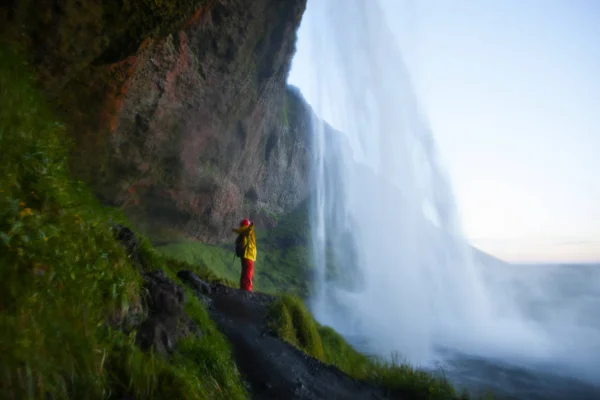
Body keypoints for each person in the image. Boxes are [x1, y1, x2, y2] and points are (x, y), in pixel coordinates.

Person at [233, 218, 256, 292]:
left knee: (244, 272)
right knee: (248, 273)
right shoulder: (247, 231)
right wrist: (251, 226)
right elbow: (248, 230)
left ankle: (243, 288)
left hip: (244, 256)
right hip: (248, 255)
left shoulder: (242, 232)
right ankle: (247, 290)